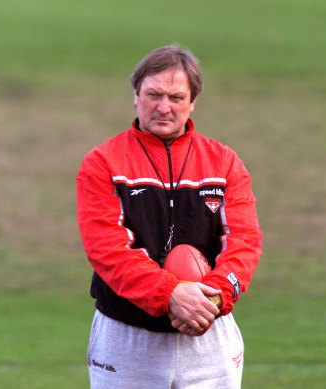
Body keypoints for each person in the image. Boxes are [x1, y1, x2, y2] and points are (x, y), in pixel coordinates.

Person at [76, 44, 262, 388]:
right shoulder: (102, 163)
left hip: (208, 334)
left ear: (192, 102)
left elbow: (244, 244)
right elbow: (107, 250)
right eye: (153, 95)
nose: (163, 107)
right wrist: (170, 294)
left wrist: (214, 297)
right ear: (135, 95)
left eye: (176, 97)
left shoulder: (225, 163)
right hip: (127, 339)